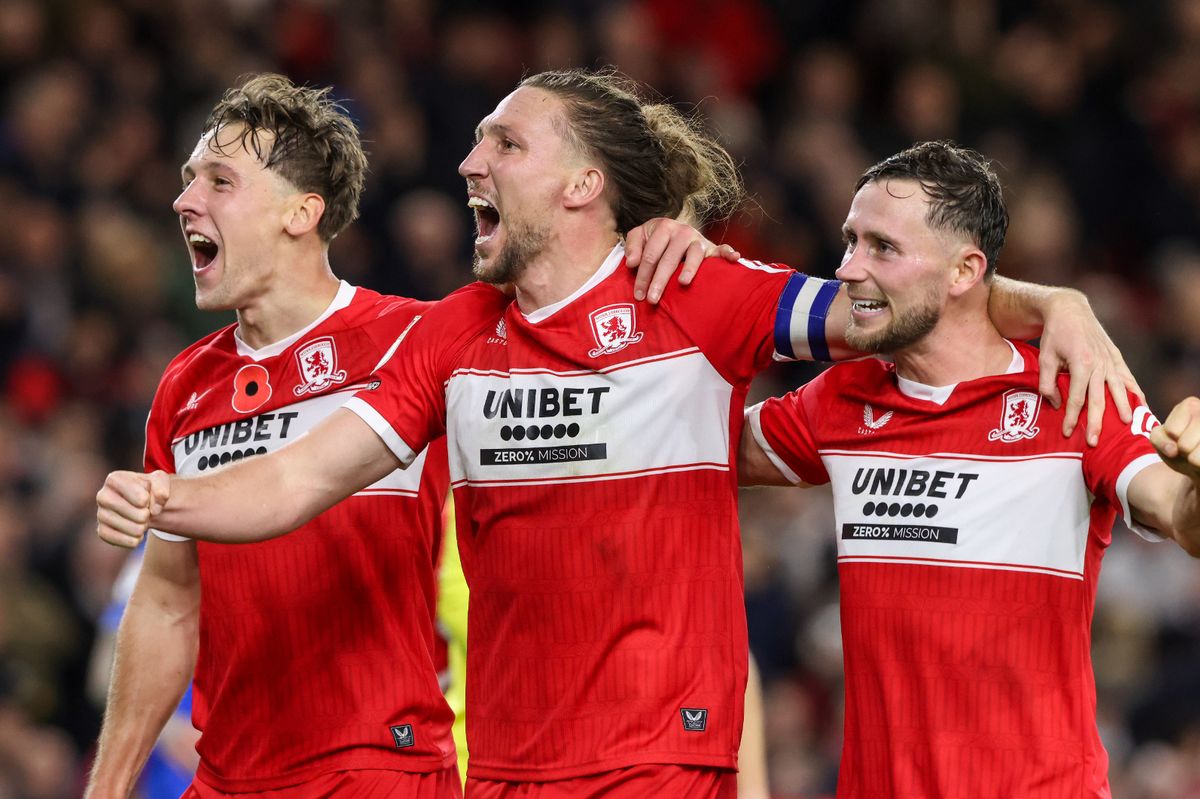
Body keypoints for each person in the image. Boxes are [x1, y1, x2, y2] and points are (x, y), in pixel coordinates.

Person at [97, 70, 1135, 797]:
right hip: (502, 765)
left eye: (504, 142)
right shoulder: (457, 333)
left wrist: (1047, 303)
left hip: (657, 762)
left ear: (583, 184)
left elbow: (888, 305)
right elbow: (293, 483)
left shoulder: (699, 293)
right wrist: (161, 499)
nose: (469, 160)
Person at [84, 72, 726, 799]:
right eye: (187, 179)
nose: (184, 200)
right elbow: (168, 600)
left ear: (301, 212)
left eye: (218, 181)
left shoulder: (419, 341)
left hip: (383, 768)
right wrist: (106, 787)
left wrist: (657, 237)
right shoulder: (186, 386)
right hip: (228, 777)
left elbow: (573, 293)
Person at [738, 140, 1200, 797]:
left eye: (882, 248)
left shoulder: (1070, 392)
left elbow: (1183, 516)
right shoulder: (841, 399)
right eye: (850, 241)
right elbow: (696, 450)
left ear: (964, 271)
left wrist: (1199, 478)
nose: (847, 268)